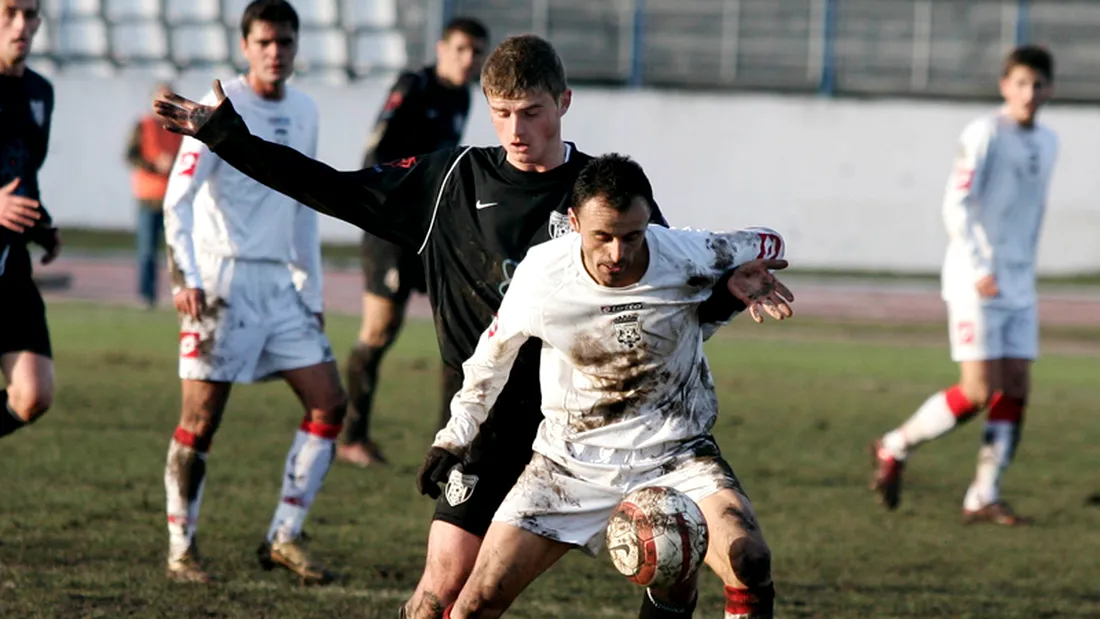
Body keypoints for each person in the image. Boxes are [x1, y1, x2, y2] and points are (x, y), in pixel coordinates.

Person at [152, 34, 744, 617]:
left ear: (562, 104)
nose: (516, 131)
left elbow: (672, 300)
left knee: (691, 562)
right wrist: (228, 138)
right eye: (502, 114)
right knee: (442, 590)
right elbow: (332, 189)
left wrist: (732, 292)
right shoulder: (450, 183)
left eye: (532, 113)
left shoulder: (605, 194)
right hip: (491, 422)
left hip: (597, 425)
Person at [425, 153, 791, 619]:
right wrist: (454, 437)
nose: (618, 253)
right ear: (574, 222)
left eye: (632, 236)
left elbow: (768, 241)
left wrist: (738, 277)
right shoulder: (542, 274)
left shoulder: (687, 253)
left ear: (648, 222)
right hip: (568, 464)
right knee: (473, 605)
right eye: (603, 237)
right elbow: (488, 361)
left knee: (750, 561)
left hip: (675, 455)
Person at [159, 0, 346, 585]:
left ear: (295, 46)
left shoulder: (306, 110)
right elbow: (178, 199)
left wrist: (310, 289)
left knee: (329, 403)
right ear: (245, 47)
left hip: (280, 288)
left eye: (285, 42)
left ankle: (284, 537)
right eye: (264, 42)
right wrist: (184, 275)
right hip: (221, 282)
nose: (275, 52)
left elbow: (306, 203)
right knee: (201, 420)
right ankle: (181, 547)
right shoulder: (219, 108)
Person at [870, 45, 1059, 526]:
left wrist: (1023, 271)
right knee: (978, 391)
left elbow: (1028, 216)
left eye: (1038, 85)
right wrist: (978, 267)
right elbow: (956, 204)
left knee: (1016, 385)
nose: (1029, 94)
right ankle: (896, 443)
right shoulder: (984, 133)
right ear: (1005, 86)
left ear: (1049, 90)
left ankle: (983, 493)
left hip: (1019, 282)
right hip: (976, 280)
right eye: (1021, 83)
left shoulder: (1049, 141)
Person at [340, 16, 489, 469]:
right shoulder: (414, 85)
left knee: (459, 326)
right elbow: (376, 151)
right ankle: (352, 436)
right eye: (461, 49)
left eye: (477, 52)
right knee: (380, 330)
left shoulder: (463, 96)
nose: (469, 60)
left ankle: (448, 443)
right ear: (442, 48)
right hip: (391, 228)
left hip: (432, 229)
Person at [0, 0, 61, 441]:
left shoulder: (40, 92)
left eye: (31, 13)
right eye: (9, 12)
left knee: (33, 394)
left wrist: (41, 225)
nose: (22, 25)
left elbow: (24, 171)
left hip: (11, 261)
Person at [125, 82, 183, 309]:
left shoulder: (180, 127)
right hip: (148, 197)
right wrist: (154, 165)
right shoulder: (143, 126)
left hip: (175, 197)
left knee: (178, 251)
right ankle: (146, 296)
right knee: (147, 251)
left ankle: (180, 294)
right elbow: (131, 155)